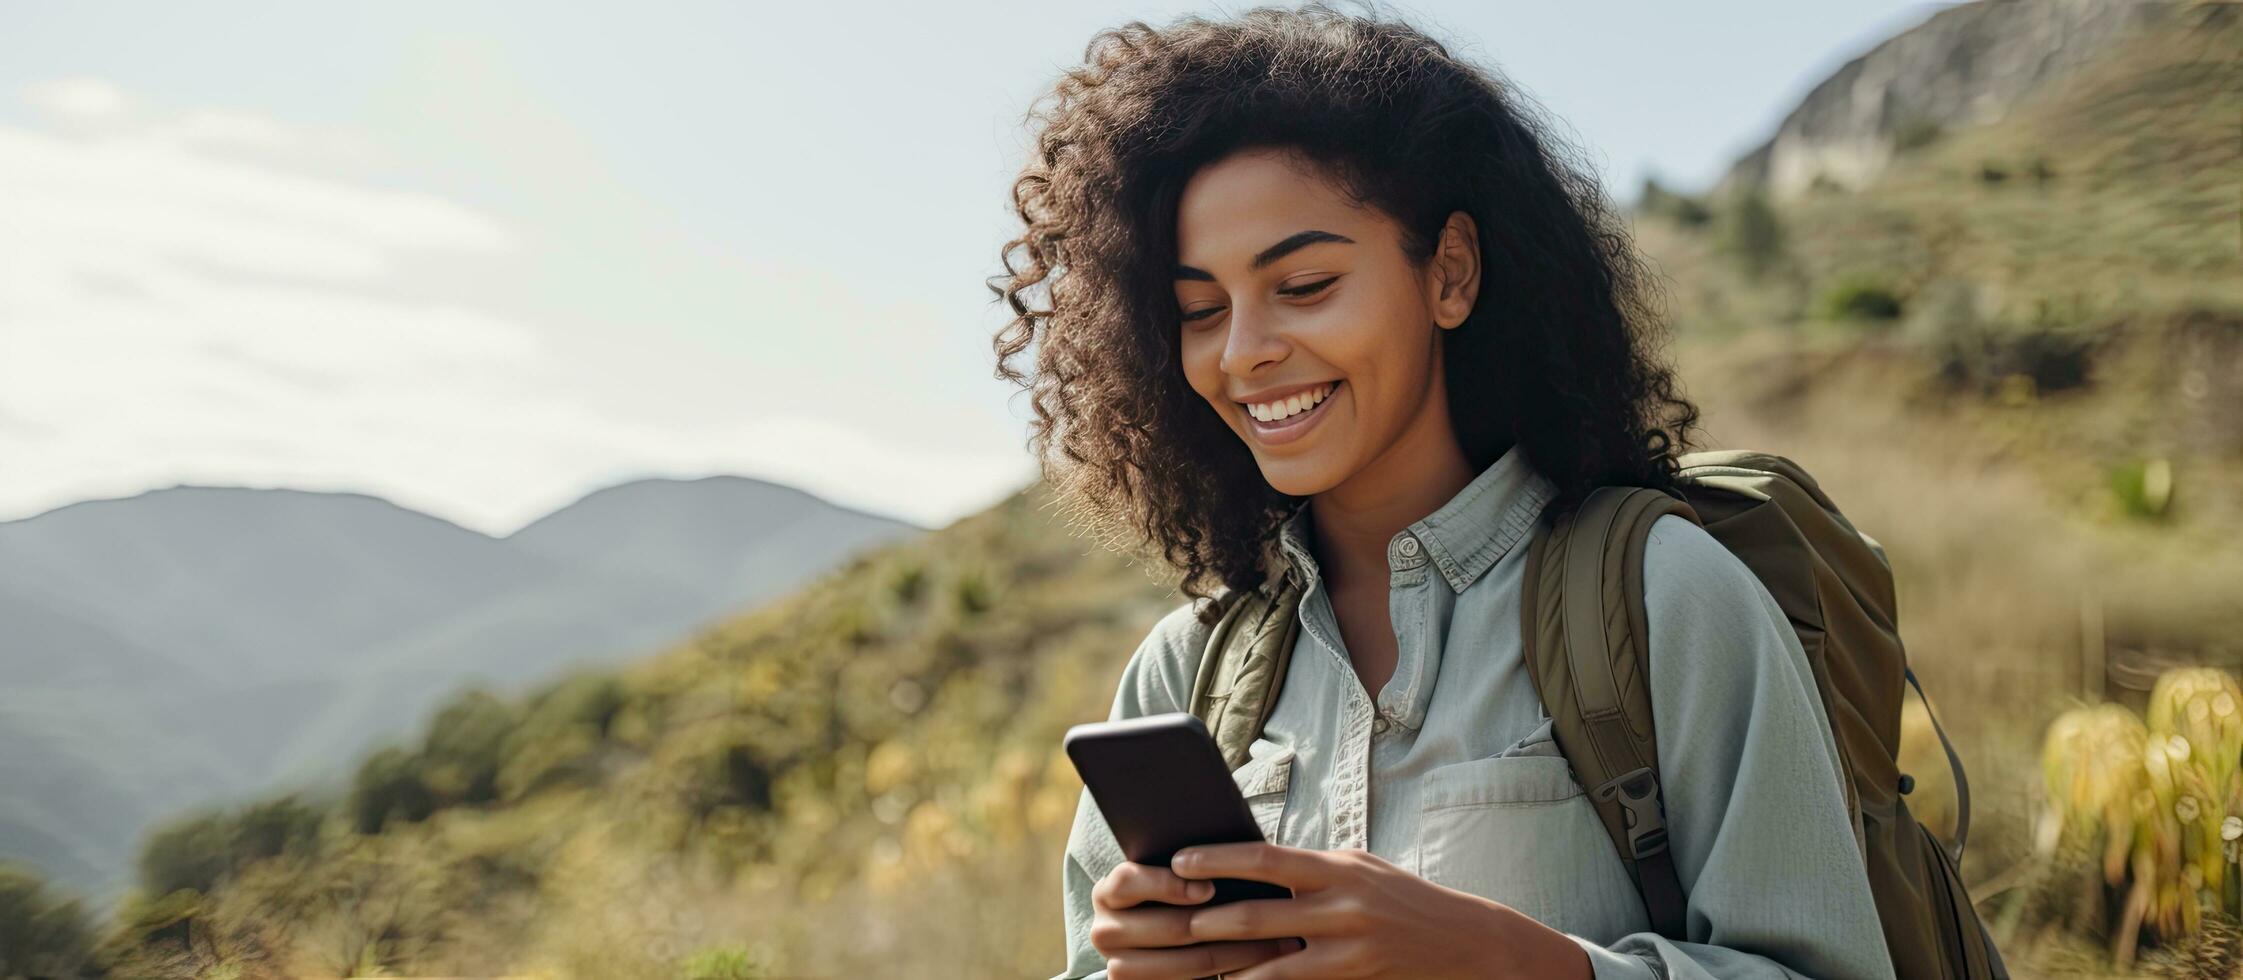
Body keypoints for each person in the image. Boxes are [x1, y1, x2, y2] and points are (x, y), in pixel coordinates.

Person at [989, 5, 1896, 978]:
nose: (1242, 350)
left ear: (1449, 272)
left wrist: (1510, 958)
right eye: (1199, 309)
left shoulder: (1659, 598)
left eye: (1302, 284)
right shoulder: (1183, 678)